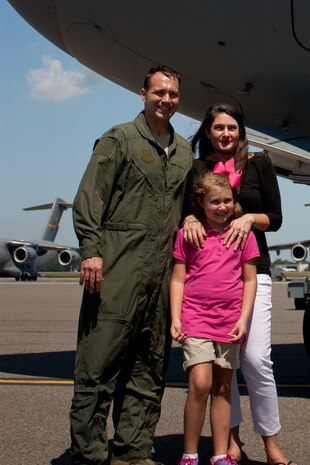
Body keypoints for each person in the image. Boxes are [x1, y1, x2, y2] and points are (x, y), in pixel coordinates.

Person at [69, 65, 193, 465]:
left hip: (160, 279)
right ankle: (88, 454)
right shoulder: (118, 139)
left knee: (148, 369)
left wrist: (191, 217)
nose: (166, 100)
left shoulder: (185, 153)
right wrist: (91, 248)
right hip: (118, 270)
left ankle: (132, 452)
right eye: (159, 92)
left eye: (173, 94)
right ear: (143, 94)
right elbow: (90, 197)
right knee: (97, 368)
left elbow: (188, 204)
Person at [183, 103, 297, 465]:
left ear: (240, 130)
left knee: (257, 360)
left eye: (232, 127)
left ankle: (270, 441)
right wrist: (188, 217)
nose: (225, 134)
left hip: (253, 271)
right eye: (218, 128)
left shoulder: (259, 163)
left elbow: (276, 218)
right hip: (213, 276)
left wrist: (249, 218)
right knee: (223, 366)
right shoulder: (198, 168)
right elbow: (189, 208)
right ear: (208, 132)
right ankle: (230, 439)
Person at [170, 172, 259, 465]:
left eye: (226, 200)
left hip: (229, 321)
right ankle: (190, 453)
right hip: (195, 317)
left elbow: (249, 280)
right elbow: (178, 279)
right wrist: (176, 318)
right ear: (200, 202)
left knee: (222, 387)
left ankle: (220, 454)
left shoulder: (244, 235)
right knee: (200, 383)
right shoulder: (189, 234)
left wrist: (244, 319)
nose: (221, 207)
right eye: (214, 201)